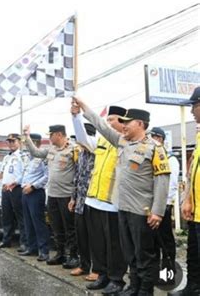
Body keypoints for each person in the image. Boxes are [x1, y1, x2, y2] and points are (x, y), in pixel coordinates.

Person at [73, 97, 170, 296]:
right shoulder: (122, 142)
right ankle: (133, 286)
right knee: (130, 254)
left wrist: (158, 212)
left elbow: (162, 181)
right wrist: (83, 106)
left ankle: (144, 290)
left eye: (128, 122)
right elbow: (101, 126)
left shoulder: (154, 148)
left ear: (140, 124)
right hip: (123, 208)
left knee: (144, 255)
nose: (123, 126)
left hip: (142, 211)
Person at [71, 104, 128, 293]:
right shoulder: (101, 141)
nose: (108, 122)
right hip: (93, 200)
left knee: (114, 246)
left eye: (112, 119)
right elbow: (82, 139)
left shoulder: (125, 141)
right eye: (108, 119)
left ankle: (116, 279)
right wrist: (76, 117)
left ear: (123, 122)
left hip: (112, 203)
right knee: (98, 243)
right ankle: (102, 274)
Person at [24, 124, 79, 269]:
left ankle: (73, 255)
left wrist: (75, 196)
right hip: (53, 195)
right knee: (56, 227)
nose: (49, 137)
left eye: (51, 135)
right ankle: (60, 254)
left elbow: (80, 172)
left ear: (59, 135)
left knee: (70, 228)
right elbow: (35, 152)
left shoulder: (73, 149)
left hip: (67, 195)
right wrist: (27, 137)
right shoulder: (51, 150)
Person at [175, 86, 200, 296]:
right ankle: (192, 288)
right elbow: (193, 172)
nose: (192, 110)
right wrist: (187, 199)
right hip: (196, 211)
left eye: (195, 105)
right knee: (193, 254)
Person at [68, 123, 96, 279]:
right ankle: (84, 265)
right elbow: (77, 177)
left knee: (95, 238)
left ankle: (97, 269)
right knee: (81, 236)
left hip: (94, 202)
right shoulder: (81, 154)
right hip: (80, 202)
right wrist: (73, 198)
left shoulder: (97, 152)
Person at [150, 126, 179, 278]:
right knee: (153, 242)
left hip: (164, 206)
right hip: (151, 206)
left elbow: (171, 185)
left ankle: (169, 272)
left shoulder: (170, 159)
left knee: (166, 240)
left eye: (155, 137)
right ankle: (155, 272)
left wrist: (164, 205)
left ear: (160, 139)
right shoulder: (151, 156)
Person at [0, 133, 28, 251]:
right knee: (6, 215)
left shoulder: (22, 156)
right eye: (9, 142)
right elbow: (3, 171)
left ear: (19, 142)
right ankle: (6, 240)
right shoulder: (7, 157)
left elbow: (25, 172)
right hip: (6, 189)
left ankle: (24, 242)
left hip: (16, 188)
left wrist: (15, 183)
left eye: (14, 141)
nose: (11, 144)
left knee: (20, 216)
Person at [18, 133, 50, 262]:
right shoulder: (26, 157)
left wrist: (33, 186)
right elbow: (24, 174)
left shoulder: (43, 157)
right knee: (28, 222)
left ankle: (44, 251)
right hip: (25, 192)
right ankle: (32, 248)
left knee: (38, 222)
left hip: (36, 192)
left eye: (29, 142)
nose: (26, 145)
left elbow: (47, 176)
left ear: (37, 143)